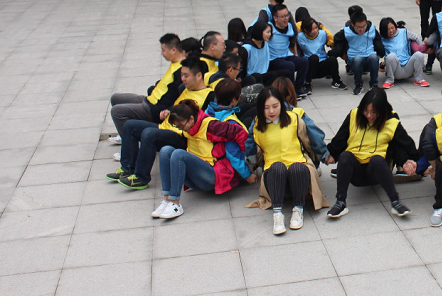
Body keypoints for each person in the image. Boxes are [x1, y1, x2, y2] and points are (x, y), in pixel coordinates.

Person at [107, 57, 215, 190]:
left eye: (186, 76)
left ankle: (141, 178)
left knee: (149, 134)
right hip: (166, 127)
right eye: (181, 75)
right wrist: (168, 111)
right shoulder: (184, 88)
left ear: (198, 76)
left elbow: (206, 122)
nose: (182, 79)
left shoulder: (209, 96)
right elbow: (177, 107)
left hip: (183, 136)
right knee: (130, 126)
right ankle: (127, 168)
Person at [154, 95, 254, 219]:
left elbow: (239, 133)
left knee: (179, 154)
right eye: (177, 127)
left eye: (181, 126)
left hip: (213, 176)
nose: (181, 129)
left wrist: (247, 162)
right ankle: (167, 200)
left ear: (191, 119)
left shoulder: (211, 126)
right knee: (165, 151)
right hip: (199, 174)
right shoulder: (188, 126)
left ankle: (175, 203)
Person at [326, 88, 417, 218]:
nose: (369, 115)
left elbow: (402, 145)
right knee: (345, 156)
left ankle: (396, 202)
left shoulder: (391, 122)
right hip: (356, 171)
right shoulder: (354, 115)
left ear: (382, 110)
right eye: (366, 111)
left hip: (377, 171)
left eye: (373, 112)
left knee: (376, 159)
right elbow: (341, 138)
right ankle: (340, 202)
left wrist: (409, 161)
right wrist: (330, 154)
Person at [248, 87, 316, 235]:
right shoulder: (257, 125)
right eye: (266, 107)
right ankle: (277, 213)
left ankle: (298, 209)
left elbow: (310, 142)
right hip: (274, 176)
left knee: (297, 167)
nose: (271, 111)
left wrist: (321, 158)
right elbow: (251, 150)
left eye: (275, 106)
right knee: (277, 167)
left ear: (282, 104)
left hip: (298, 173)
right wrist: (248, 171)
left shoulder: (294, 119)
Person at [108, 33, 184, 144]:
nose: (162, 53)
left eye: (163, 50)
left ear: (173, 50)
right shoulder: (175, 63)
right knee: (116, 98)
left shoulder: (182, 71)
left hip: (155, 108)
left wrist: (169, 110)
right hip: (150, 99)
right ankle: (123, 133)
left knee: (117, 111)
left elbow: (182, 97)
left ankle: (128, 146)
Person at [330, 11, 385, 95]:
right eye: (359, 27)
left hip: (369, 58)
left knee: (374, 57)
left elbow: (378, 41)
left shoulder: (371, 29)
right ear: (352, 25)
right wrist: (342, 54)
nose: (362, 29)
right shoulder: (346, 32)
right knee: (358, 59)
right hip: (354, 60)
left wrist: (380, 53)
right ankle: (358, 84)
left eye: (364, 26)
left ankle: (374, 85)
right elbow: (337, 39)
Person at [268, 4, 310, 97]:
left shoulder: (290, 26)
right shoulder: (269, 28)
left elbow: (293, 41)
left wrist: (295, 54)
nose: (286, 18)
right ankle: (290, 92)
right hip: (273, 59)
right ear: (275, 18)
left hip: (286, 55)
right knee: (290, 65)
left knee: (304, 62)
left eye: (287, 15)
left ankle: (298, 88)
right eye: (283, 16)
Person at [297, 17, 348, 92]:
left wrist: (342, 53)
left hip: (322, 65)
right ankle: (307, 83)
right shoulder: (300, 36)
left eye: (316, 28)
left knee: (332, 59)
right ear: (305, 30)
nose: (315, 31)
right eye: (312, 29)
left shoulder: (323, 34)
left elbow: (332, 44)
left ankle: (336, 81)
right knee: (314, 58)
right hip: (310, 66)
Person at [378, 17, 429, 89]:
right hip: (395, 70)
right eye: (388, 29)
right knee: (391, 56)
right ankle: (389, 80)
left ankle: (419, 79)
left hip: (408, 66)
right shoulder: (381, 38)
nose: (391, 30)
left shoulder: (403, 32)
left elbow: (416, 37)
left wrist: (421, 48)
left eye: (392, 27)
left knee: (419, 54)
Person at [240, 21, 292, 88]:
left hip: (264, 74)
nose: (270, 34)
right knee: (263, 76)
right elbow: (243, 68)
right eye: (268, 32)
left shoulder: (265, 44)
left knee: (287, 73)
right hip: (251, 77)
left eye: (270, 32)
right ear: (259, 32)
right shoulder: (247, 48)